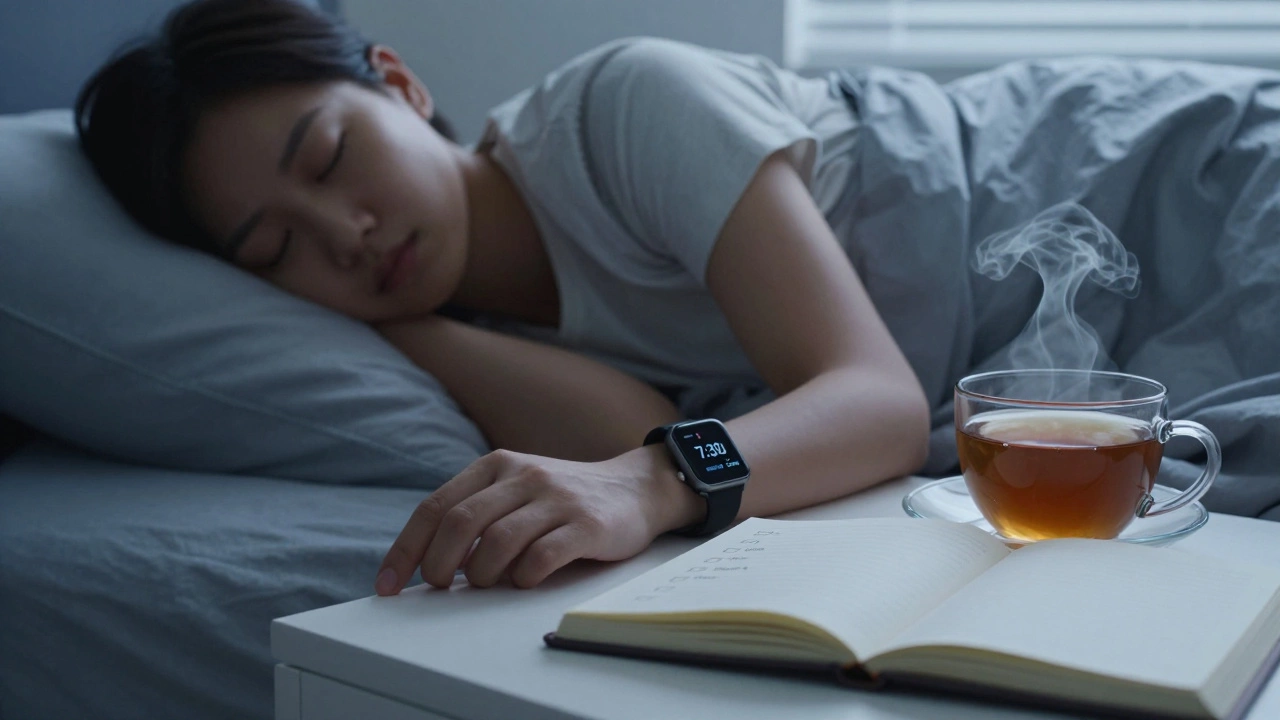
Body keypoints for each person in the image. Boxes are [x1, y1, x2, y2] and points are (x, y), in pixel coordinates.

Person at [76, 0, 1280, 592]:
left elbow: (860, 406)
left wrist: (650, 479)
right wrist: (402, 322)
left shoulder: (622, 107)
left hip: (1166, 191)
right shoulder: (449, 320)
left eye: (330, 160)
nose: (345, 234)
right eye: (275, 248)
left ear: (397, 84)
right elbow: (630, 435)